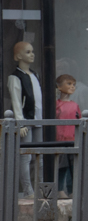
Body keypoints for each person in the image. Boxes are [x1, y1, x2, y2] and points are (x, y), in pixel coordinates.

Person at [6, 40, 43, 195]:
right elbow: (16, 102)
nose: (32, 54)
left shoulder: (35, 75)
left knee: (39, 157)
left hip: (38, 119)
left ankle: (40, 188)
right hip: (26, 121)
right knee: (25, 157)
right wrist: (21, 123)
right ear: (18, 56)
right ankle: (28, 190)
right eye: (28, 52)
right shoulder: (15, 77)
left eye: (32, 51)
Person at [52, 74, 80, 196]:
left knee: (73, 167)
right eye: (69, 84)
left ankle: (72, 190)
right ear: (59, 87)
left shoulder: (75, 105)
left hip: (73, 139)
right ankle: (59, 189)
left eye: (74, 84)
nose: (72, 87)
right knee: (61, 166)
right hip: (60, 139)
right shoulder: (57, 104)